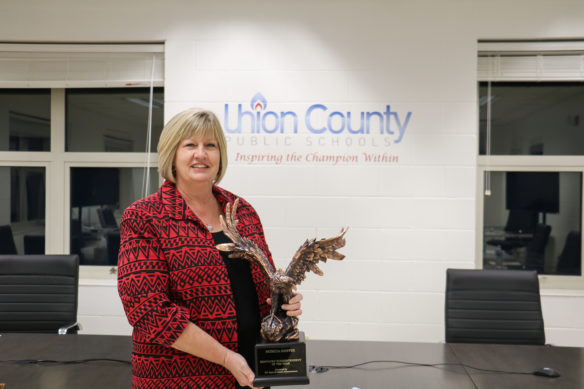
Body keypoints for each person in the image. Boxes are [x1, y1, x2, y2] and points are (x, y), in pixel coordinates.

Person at [117, 108, 303, 388]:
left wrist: (283, 302)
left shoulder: (243, 211)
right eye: (190, 145)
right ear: (172, 154)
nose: (201, 154)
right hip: (177, 379)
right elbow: (150, 312)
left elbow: (265, 286)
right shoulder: (144, 217)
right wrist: (227, 358)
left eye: (210, 145)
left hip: (251, 374)